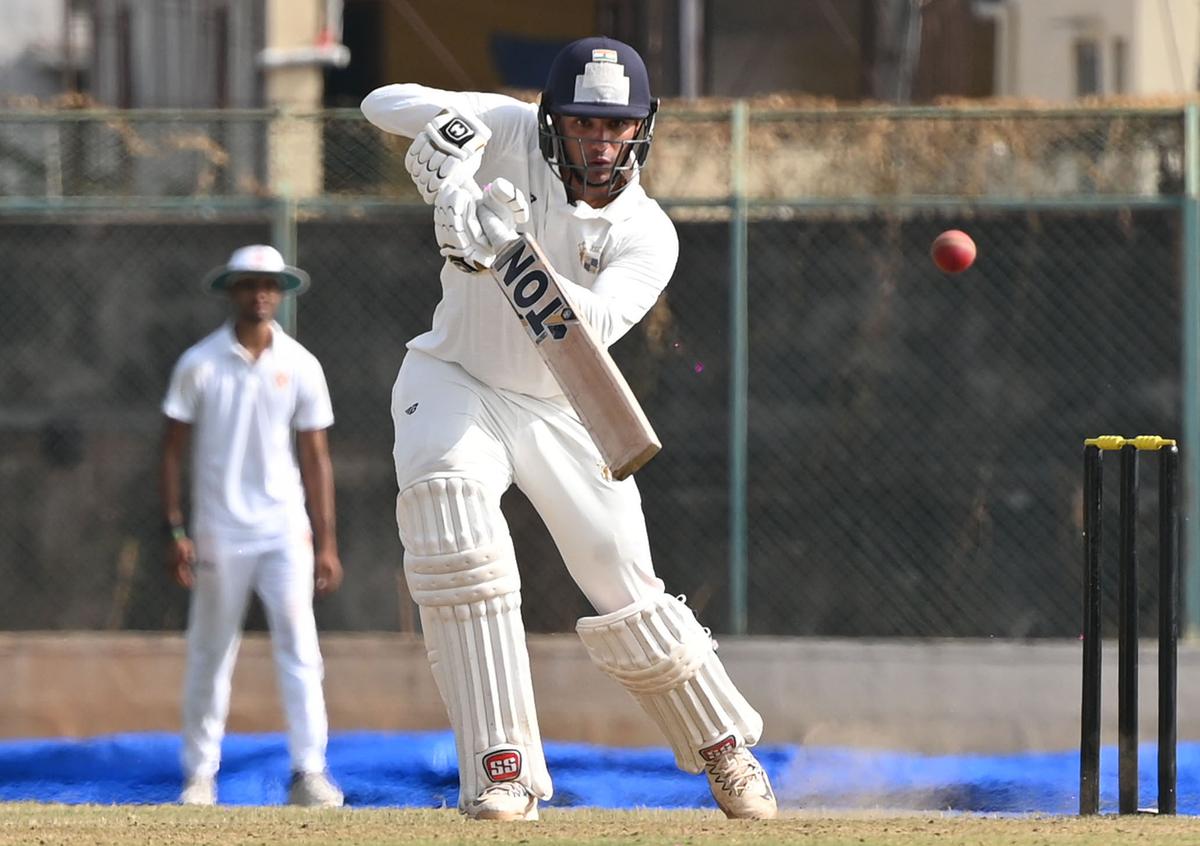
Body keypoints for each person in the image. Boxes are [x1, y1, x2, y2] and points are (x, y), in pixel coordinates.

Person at [361, 37, 776, 821]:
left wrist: (500, 244)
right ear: (553, 118)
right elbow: (379, 103)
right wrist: (451, 148)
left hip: (565, 401)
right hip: (456, 381)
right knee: (454, 531)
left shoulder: (649, 234)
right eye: (582, 122)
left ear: (640, 130)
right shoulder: (512, 129)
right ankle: (502, 770)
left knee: (627, 588)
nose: (598, 141)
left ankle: (725, 750)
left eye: (614, 127)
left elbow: (584, 325)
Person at [159, 244, 345, 808]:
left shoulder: (301, 364)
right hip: (219, 531)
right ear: (232, 290)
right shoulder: (200, 362)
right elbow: (170, 452)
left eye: (270, 285)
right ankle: (199, 776)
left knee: (301, 650)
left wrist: (327, 541)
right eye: (250, 284)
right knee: (211, 652)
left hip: (284, 530)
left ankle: (309, 772)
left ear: (281, 294)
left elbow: (316, 458)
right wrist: (176, 530)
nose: (260, 293)